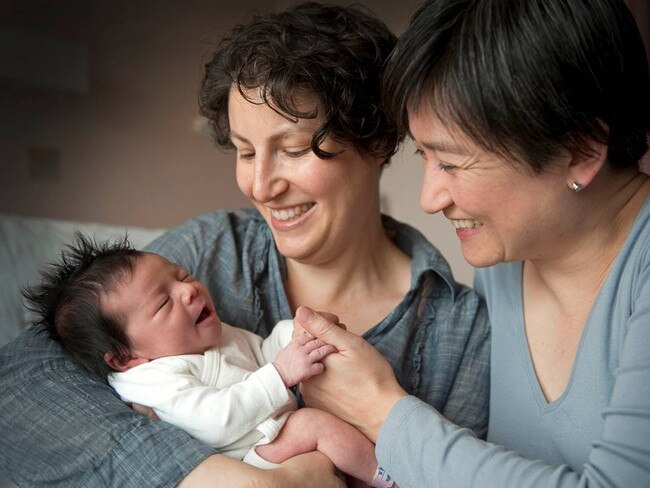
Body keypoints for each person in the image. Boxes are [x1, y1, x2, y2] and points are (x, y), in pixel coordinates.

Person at [0, 3, 490, 487]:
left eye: (293, 150)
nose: (260, 185)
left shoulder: (457, 329)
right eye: (245, 151)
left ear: (377, 140)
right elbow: (18, 387)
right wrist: (227, 481)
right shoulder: (214, 246)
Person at [295, 0, 650, 487]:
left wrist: (382, 410)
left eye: (453, 163)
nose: (428, 198)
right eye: (424, 155)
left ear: (581, 148)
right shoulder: (506, 258)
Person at [22, 234, 394, 487]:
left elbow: (261, 354)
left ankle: (367, 474)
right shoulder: (155, 379)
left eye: (182, 276)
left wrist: (297, 335)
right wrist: (281, 373)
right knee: (314, 424)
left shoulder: (208, 335)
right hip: (245, 458)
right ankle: (392, 478)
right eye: (164, 303)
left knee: (331, 409)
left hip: (271, 433)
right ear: (125, 356)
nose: (188, 290)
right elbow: (216, 422)